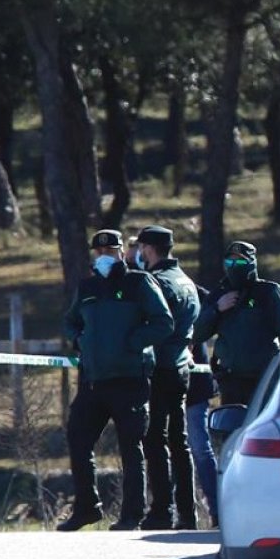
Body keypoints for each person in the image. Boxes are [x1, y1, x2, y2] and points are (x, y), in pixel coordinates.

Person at [57, 230, 174, 532]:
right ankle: (87, 508)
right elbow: (70, 322)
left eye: (109, 251)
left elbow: (163, 322)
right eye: (99, 252)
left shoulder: (139, 283)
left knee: (131, 448)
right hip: (93, 381)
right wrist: (80, 340)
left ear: (122, 252)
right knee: (78, 438)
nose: (103, 257)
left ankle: (132, 515)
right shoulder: (88, 287)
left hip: (129, 380)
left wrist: (133, 343)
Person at [133, 225, 201, 531]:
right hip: (181, 366)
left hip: (159, 366)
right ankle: (187, 512)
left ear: (148, 249)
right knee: (179, 441)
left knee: (155, 439)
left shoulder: (156, 281)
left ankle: (161, 509)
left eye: (141, 248)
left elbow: (152, 323)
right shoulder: (186, 281)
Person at [194, 241, 280, 406]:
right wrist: (217, 309)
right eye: (230, 262)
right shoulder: (219, 295)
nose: (234, 266)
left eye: (240, 262)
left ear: (251, 264)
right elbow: (197, 334)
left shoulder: (269, 293)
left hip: (264, 379)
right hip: (230, 381)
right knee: (230, 421)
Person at [185, 285, 220, 528]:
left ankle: (217, 509)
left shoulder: (191, 290)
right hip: (161, 383)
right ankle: (181, 512)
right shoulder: (141, 285)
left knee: (199, 447)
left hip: (194, 384)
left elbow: (212, 317)